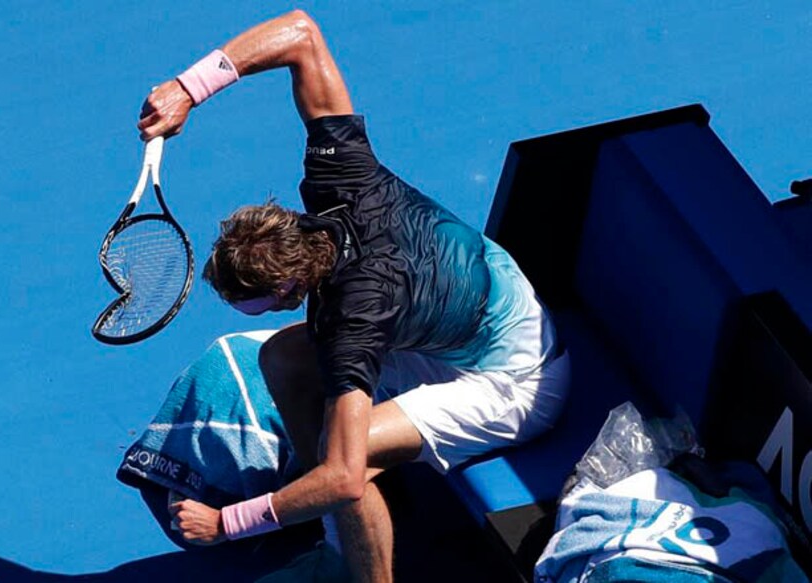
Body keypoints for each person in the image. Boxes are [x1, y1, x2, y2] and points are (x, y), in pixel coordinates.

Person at [137, 10, 570, 583]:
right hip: (459, 323)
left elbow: (342, 476)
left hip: (515, 383)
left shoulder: (353, 324)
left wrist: (226, 523)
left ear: (288, 288)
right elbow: (300, 33)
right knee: (283, 358)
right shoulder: (341, 177)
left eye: (251, 301)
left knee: (345, 458)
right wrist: (187, 89)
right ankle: (343, 537)